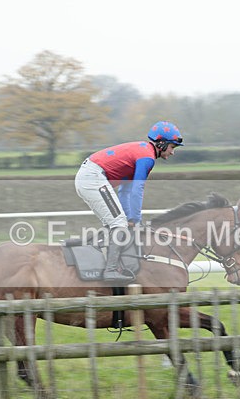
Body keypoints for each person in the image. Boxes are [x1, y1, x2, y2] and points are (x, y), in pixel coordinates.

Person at [75, 121, 183, 282]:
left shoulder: (143, 151)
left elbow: (125, 190)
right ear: (162, 144)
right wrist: (136, 220)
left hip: (89, 177)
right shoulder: (147, 158)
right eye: (172, 147)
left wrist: (130, 219)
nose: (173, 152)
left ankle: (99, 256)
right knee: (118, 223)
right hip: (93, 177)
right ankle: (110, 270)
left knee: (117, 223)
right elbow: (137, 190)